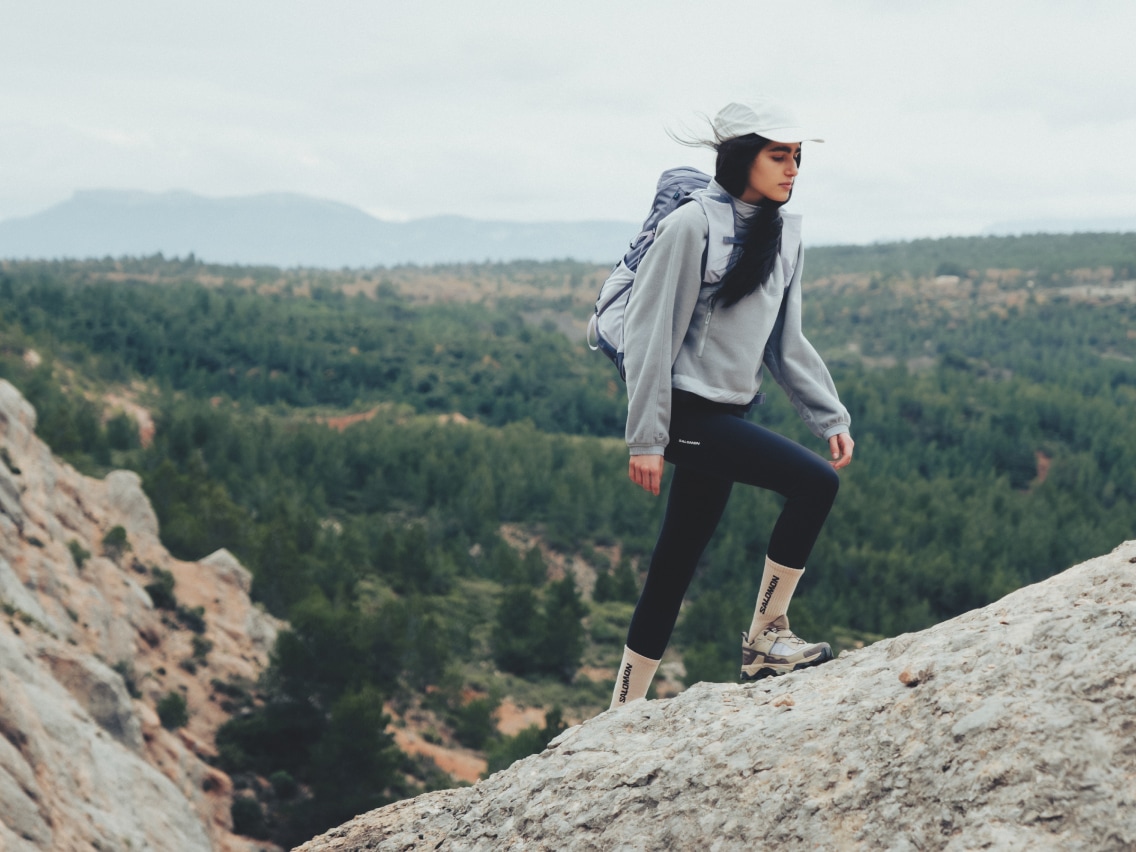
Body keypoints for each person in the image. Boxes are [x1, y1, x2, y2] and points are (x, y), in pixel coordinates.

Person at [610, 97, 854, 710]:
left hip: (729, 413)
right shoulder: (691, 225)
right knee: (813, 485)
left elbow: (785, 343)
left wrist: (829, 416)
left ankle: (624, 705)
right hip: (685, 414)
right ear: (743, 157)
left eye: (797, 158)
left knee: (675, 561)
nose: (792, 168)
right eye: (779, 156)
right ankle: (765, 640)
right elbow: (648, 332)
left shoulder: (785, 236)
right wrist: (646, 437)